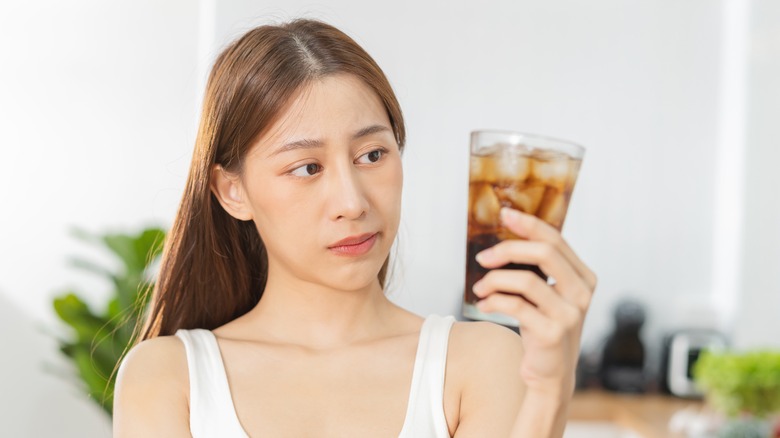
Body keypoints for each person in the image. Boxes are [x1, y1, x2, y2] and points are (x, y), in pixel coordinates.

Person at [113, 18, 596, 438]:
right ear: (232, 191)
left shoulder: (482, 361)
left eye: (372, 155)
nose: (352, 202)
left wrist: (551, 393)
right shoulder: (168, 378)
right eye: (307, 167)